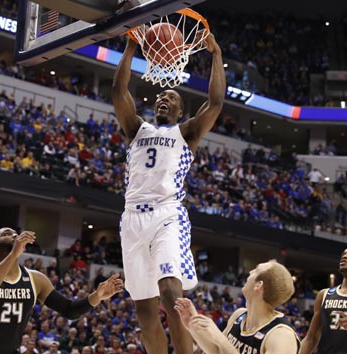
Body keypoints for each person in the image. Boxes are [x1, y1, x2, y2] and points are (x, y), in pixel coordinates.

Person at [111, 28, 225, 354]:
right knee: (144, 311)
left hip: (167, 215)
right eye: (162, 96)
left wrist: (215, 54)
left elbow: (215, 101)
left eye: (172, 98)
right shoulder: (136, 129)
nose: (164, 98)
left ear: (180, 112)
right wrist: (132, 46)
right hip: (132, 218)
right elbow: (118, 90)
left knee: (171, 293)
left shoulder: (185, 133)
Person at [0, 227, 123, 354]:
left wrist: (97, 296)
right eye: (6, 234)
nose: (14, 235)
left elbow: (69, 310)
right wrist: (12, 255)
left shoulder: (36, 279)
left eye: (15, 233)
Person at [174, 260, 300, 354]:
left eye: (256, 270)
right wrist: (193, 326)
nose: (250, 272)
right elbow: (217, 351)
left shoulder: (281, 336)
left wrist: (220, 339)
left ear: (258, 285)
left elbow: (222, 344)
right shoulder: (239, 315)